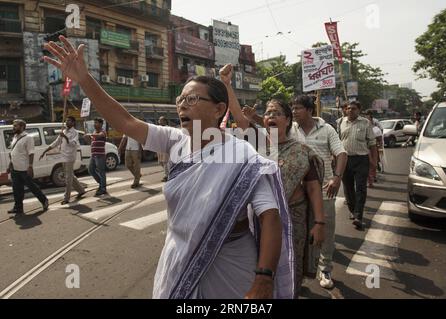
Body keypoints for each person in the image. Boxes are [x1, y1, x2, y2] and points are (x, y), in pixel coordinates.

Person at [43, 36, 294, 299]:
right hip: (179, 258)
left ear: (219, 109)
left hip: (232, 263)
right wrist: (84, 79)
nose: (182, 105)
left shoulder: (244, 155)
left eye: (193, 99)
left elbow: (270, 216)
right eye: (180, 99)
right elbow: (126, 122)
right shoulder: (175, 139)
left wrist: (264, 277)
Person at [220, 64, 325, 297]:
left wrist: (319, 223)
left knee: (290, 269)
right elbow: (238, 115)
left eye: (276, 113)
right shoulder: (256, 142)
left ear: (288, 120)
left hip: (294, 221)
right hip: (259, 219)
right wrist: (227, 84)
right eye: (267, 113)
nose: (270, 116)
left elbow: (313, 188)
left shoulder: (302, 151)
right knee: (260, 270)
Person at [289, 95, 348, 290]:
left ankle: (325, 269)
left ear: (309, 110)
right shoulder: (291, 129)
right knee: (301, 233)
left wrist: (337, 178)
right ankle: (302, 272)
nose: (294, 111)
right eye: (292, 108)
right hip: (298, 194)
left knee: (326, 232)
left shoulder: (327, 129)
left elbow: (341, 153)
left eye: (298, 108)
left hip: (324, 192)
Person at [337, 101, 377, 230]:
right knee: (348, 188)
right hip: (345, 159)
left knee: (360, 188)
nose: (350, 111)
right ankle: (353, 210)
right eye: (348, 108)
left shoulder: (365, 123)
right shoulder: (340, 122)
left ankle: (359, 216)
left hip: (361, 159)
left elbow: (372, 143)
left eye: (353, 109)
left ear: (359, 110)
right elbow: (337, 142)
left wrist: (374, 161)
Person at [6, 119, 48, 214]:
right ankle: (18, 208)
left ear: (22, 127)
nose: (13, 127)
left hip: (24, 169)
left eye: (16, 125)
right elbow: (13, 153)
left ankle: (44, 200)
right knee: (17, 189)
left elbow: (31, 153)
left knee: (32, 187)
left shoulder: (28, 138)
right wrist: (9, 165)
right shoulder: (15, 137)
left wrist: (30, 166)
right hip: (15, 169)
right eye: (14, 125)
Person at [40, 116, 86, 204]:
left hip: (69, 157)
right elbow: (56, 142)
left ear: (73, 123)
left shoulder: (75, 132)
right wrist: (45, 150)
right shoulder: (63, 131)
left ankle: (66, 198)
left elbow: (73, 144)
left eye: (69, 121)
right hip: (63, 157)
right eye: (66, 120)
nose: (66, 122)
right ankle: (81, 190)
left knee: (68, 178)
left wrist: (65, 137)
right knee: (70, 176)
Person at [84, 118, 107, 196]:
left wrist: (90, 135)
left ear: (101, 124)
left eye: (96, 123)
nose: (94, 124)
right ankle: (101, 183)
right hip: (93, 155)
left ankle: (103, 188)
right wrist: (87, 138)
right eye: (94, 122)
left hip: (100, 155)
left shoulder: (103, 132)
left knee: (101, 171)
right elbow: (91, 143)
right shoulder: (94, 132)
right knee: (91, 170)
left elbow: (100, 135)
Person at [157, 116, 170, 182]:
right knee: (160, 162)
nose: (159, 121)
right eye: (159, 120)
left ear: (165, 121)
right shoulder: (159, 128)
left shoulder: (168, 128)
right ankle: (168, 173)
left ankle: (167, 176)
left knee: (165, 162)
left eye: (161, 120)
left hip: (165, 147)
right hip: (159, 148)